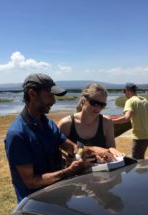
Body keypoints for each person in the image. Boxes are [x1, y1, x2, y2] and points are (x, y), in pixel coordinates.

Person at [5, 73, 97, 203]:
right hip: (36, 204)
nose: (53, 101)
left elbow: (70, 146)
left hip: (59, 196)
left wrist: (85, 151)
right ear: (32, 94)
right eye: (49, 95)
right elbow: (31, 182)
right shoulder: (17, 134)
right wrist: (68, 172)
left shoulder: (49, 124)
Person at [58, 83, 124, 160]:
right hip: (76, 169)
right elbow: (55, 149)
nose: (98, 108)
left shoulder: (107, 122)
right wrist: (67, 161)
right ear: (83, 100)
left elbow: (111, 148)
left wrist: (114, 152)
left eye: (102, 105)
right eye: (94, 103)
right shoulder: (66, 124)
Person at [112, 83, 148, 159]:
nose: (124, 93)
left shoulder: (130, 101)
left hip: (140, 137)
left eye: (124, 91)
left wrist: (111, 122)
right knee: (140, 158)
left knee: (136, 160)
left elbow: (126, 118)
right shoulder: (144, 100)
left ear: (127, 90)